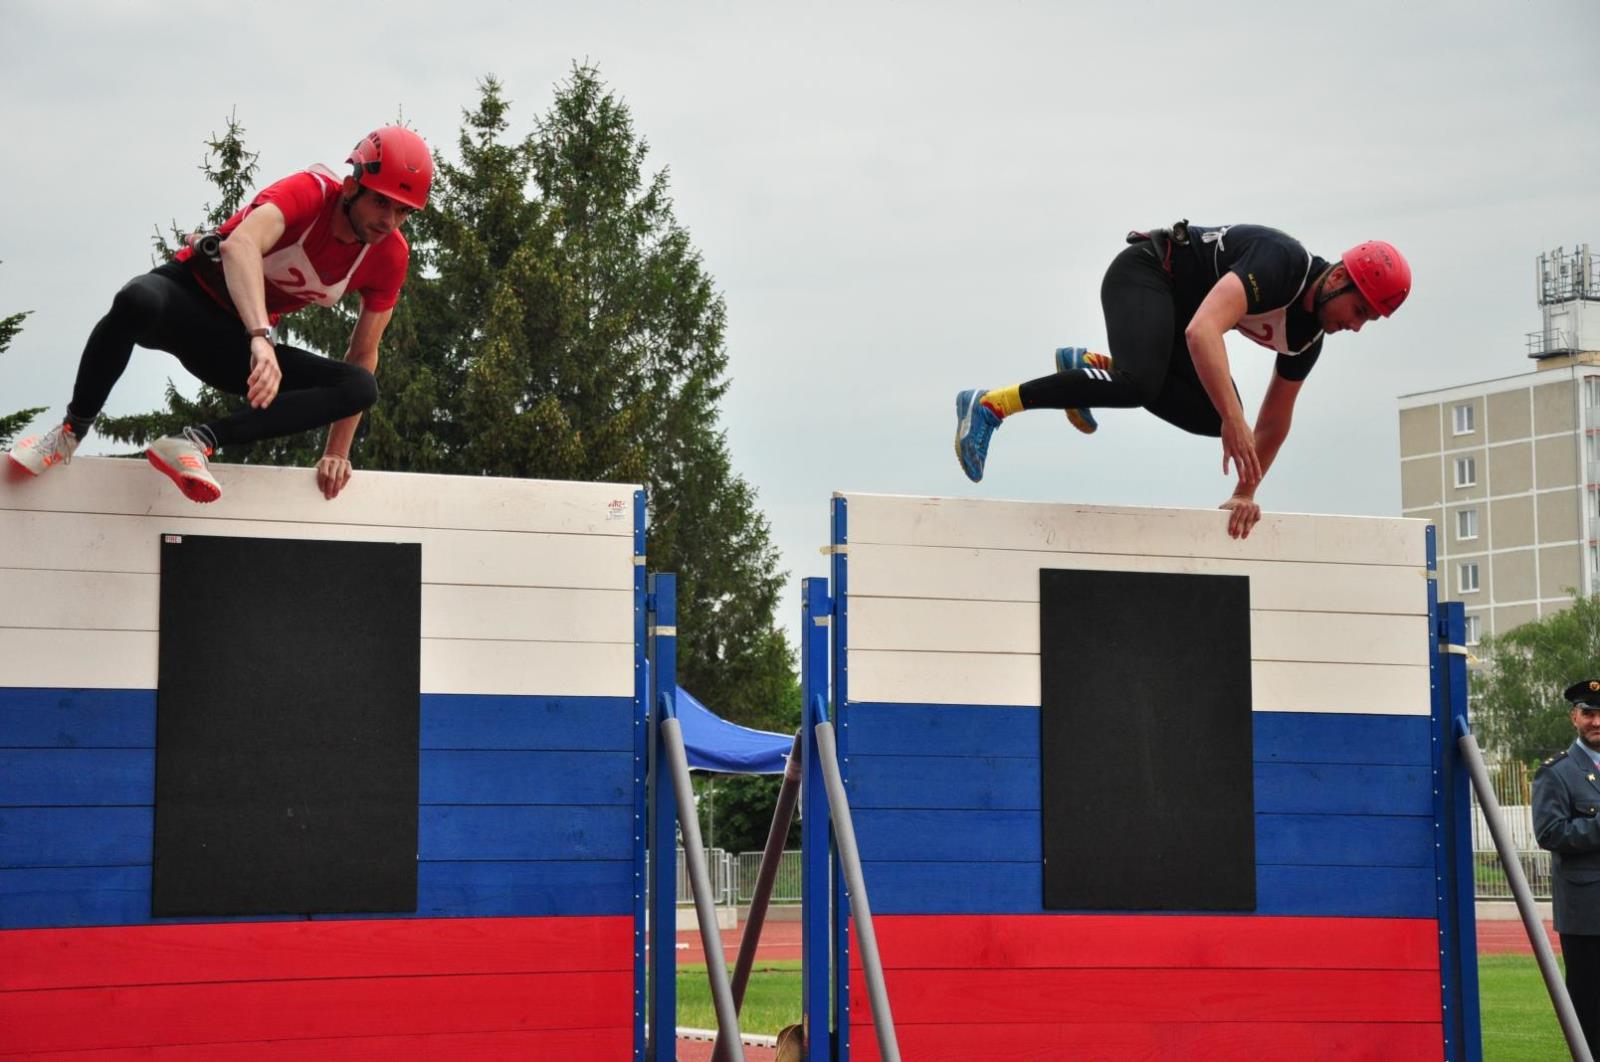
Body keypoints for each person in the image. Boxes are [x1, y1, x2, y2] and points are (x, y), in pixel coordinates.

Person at [7, 125, 432, 503]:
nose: (389, 221)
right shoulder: (309, 191)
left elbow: (363, 353)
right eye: (381, 203)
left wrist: (337, 450)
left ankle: (195, 443)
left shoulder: (390, 257)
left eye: (402, 212)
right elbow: (240, 245)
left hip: (232, 345)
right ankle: (69, 433)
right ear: (351, 185)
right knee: (136, 299)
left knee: (360, 385)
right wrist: (262, 337)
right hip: (185, 297)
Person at [951, 221, 1411, 539]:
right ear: (1339, 280)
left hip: (1177, 317)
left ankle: (1095, 368)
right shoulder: (1281, 263)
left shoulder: (1309, 337)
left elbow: (1273, 422)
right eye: (1360, 311)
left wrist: (1244, 493)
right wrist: (1234, 419)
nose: (1357, 326)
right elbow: (1202, 330)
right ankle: (992, 404)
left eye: (1369, 320)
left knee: (1218, 420)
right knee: (1145, 388)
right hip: (1145, 274)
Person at [1534, 678, 1600, 1058]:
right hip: (1588, 918)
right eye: (1588, 713)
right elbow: (1550, 833)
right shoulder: (1557, 773)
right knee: (1590, 1019)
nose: (1596, 721)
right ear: (1574, 717)